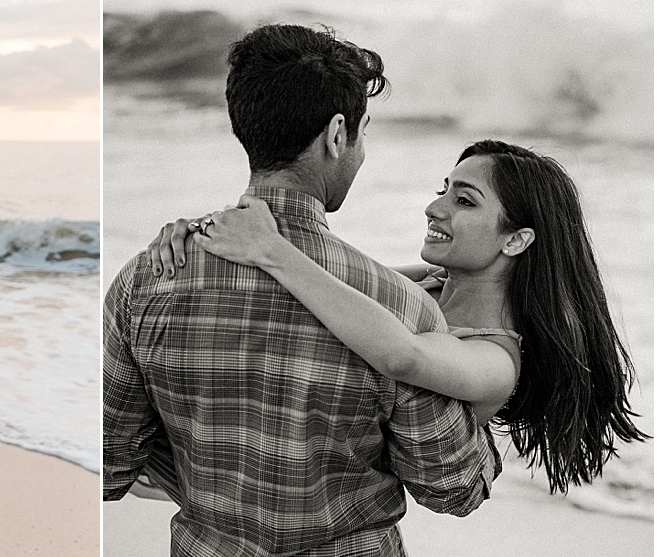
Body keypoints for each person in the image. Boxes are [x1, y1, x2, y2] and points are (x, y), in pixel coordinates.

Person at [103, 24, 500, 557]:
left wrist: (215, 467)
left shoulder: (145, 280)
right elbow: (452, 487)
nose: (362, 152)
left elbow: (107, 464)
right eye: (363, 133)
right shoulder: (392, 308)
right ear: (337, 135)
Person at [145, 139, 646, 493]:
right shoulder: (426, 284)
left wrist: (271, 249)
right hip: (259, 471)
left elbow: (402, 356)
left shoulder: (495, 358)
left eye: (464, 200)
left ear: (515, 240)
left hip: (326, 514)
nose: (434, 206)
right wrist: (201, 237)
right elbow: (321, 282)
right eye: (444, 188)